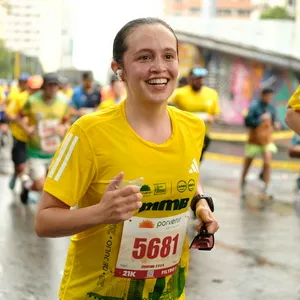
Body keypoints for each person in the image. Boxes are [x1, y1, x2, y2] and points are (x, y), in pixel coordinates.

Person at [35, 18, 219, 300]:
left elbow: (189, 173)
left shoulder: (193, 128)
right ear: (118, 69)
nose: (159, 67)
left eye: (168, 56)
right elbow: (44, 222)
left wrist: (200, 202)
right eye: (144, 57)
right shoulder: (88, 133)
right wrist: (100, 213)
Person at [18, 73, 69, 204]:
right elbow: (19, 116)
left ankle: (28, 187)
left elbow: (66, 121)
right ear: (44, 86)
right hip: (36, 151)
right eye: (50, 85)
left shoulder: (63, 102)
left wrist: (63, 127)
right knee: (41, 185)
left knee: (51, 186)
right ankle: (28, 186)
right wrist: (26, 129)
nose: (53, 88)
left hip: (54, 151)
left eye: (55, 85)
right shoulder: (32, 101)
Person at [168, 67, 220, 161]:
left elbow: (216, 115)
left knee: (196, 161)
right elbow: (165, 107)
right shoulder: (179, 93)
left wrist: (209, 118)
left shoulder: (212, 94)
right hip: (182, 135)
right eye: (196, 78)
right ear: (190, 79)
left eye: (201, 78)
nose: (199, 81)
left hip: (202, 135)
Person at [241, 88, 281, 198]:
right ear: (262, 95)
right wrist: (260, 119)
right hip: (254, 140)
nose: (269, 98)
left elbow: (274, 121)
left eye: (271, 96)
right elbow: (248, 122)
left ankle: (267, 186)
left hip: (267, 140)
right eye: (268, 96)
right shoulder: (254, 106)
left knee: (267, 163)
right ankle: (243, 181)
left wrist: (276, 124)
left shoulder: (271, 108)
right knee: (248, 163)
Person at [6, 75, 43, 191]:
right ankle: (17, 174)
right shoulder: (19, 98)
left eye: (38, 89)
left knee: (34, 169)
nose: (35, 91)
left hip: (36, 141)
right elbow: (9, 114)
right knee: (21, 166)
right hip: (20, 137)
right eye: (33, 88)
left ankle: (27, 187)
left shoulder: (45, 102)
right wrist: (24, 124)